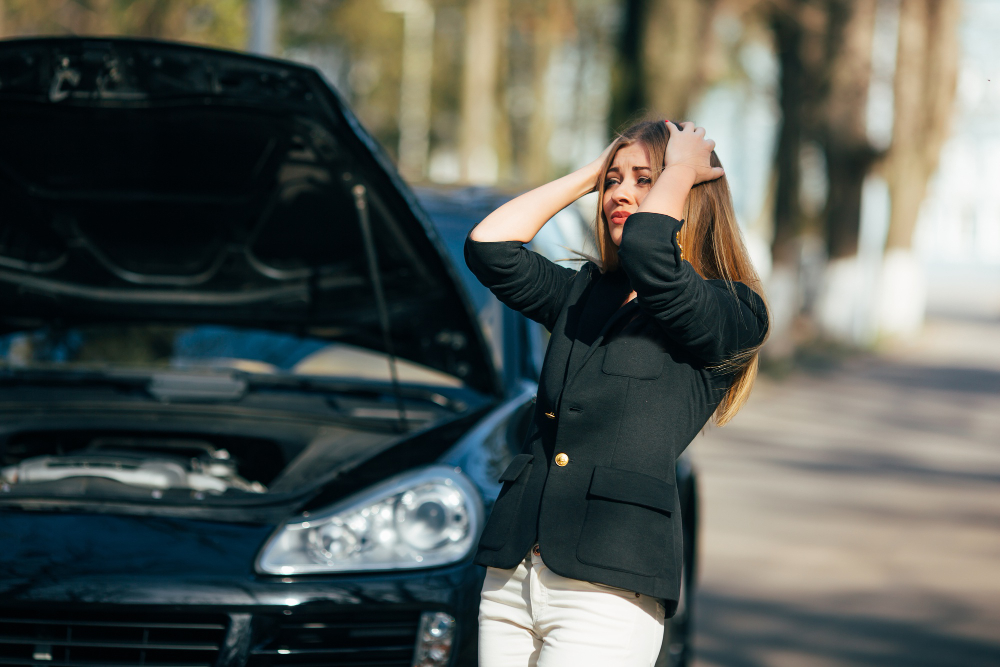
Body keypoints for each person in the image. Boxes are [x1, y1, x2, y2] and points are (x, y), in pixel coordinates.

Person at [464, 119, 769, 667]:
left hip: (607, 584)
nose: (622, 193)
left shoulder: (733, 311)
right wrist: (592, 173)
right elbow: (490, 247)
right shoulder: (586, 294)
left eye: (643, 179)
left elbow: (655, 251)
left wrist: (679, 167)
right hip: (513, 573)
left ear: (690, 193)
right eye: (615, 181)